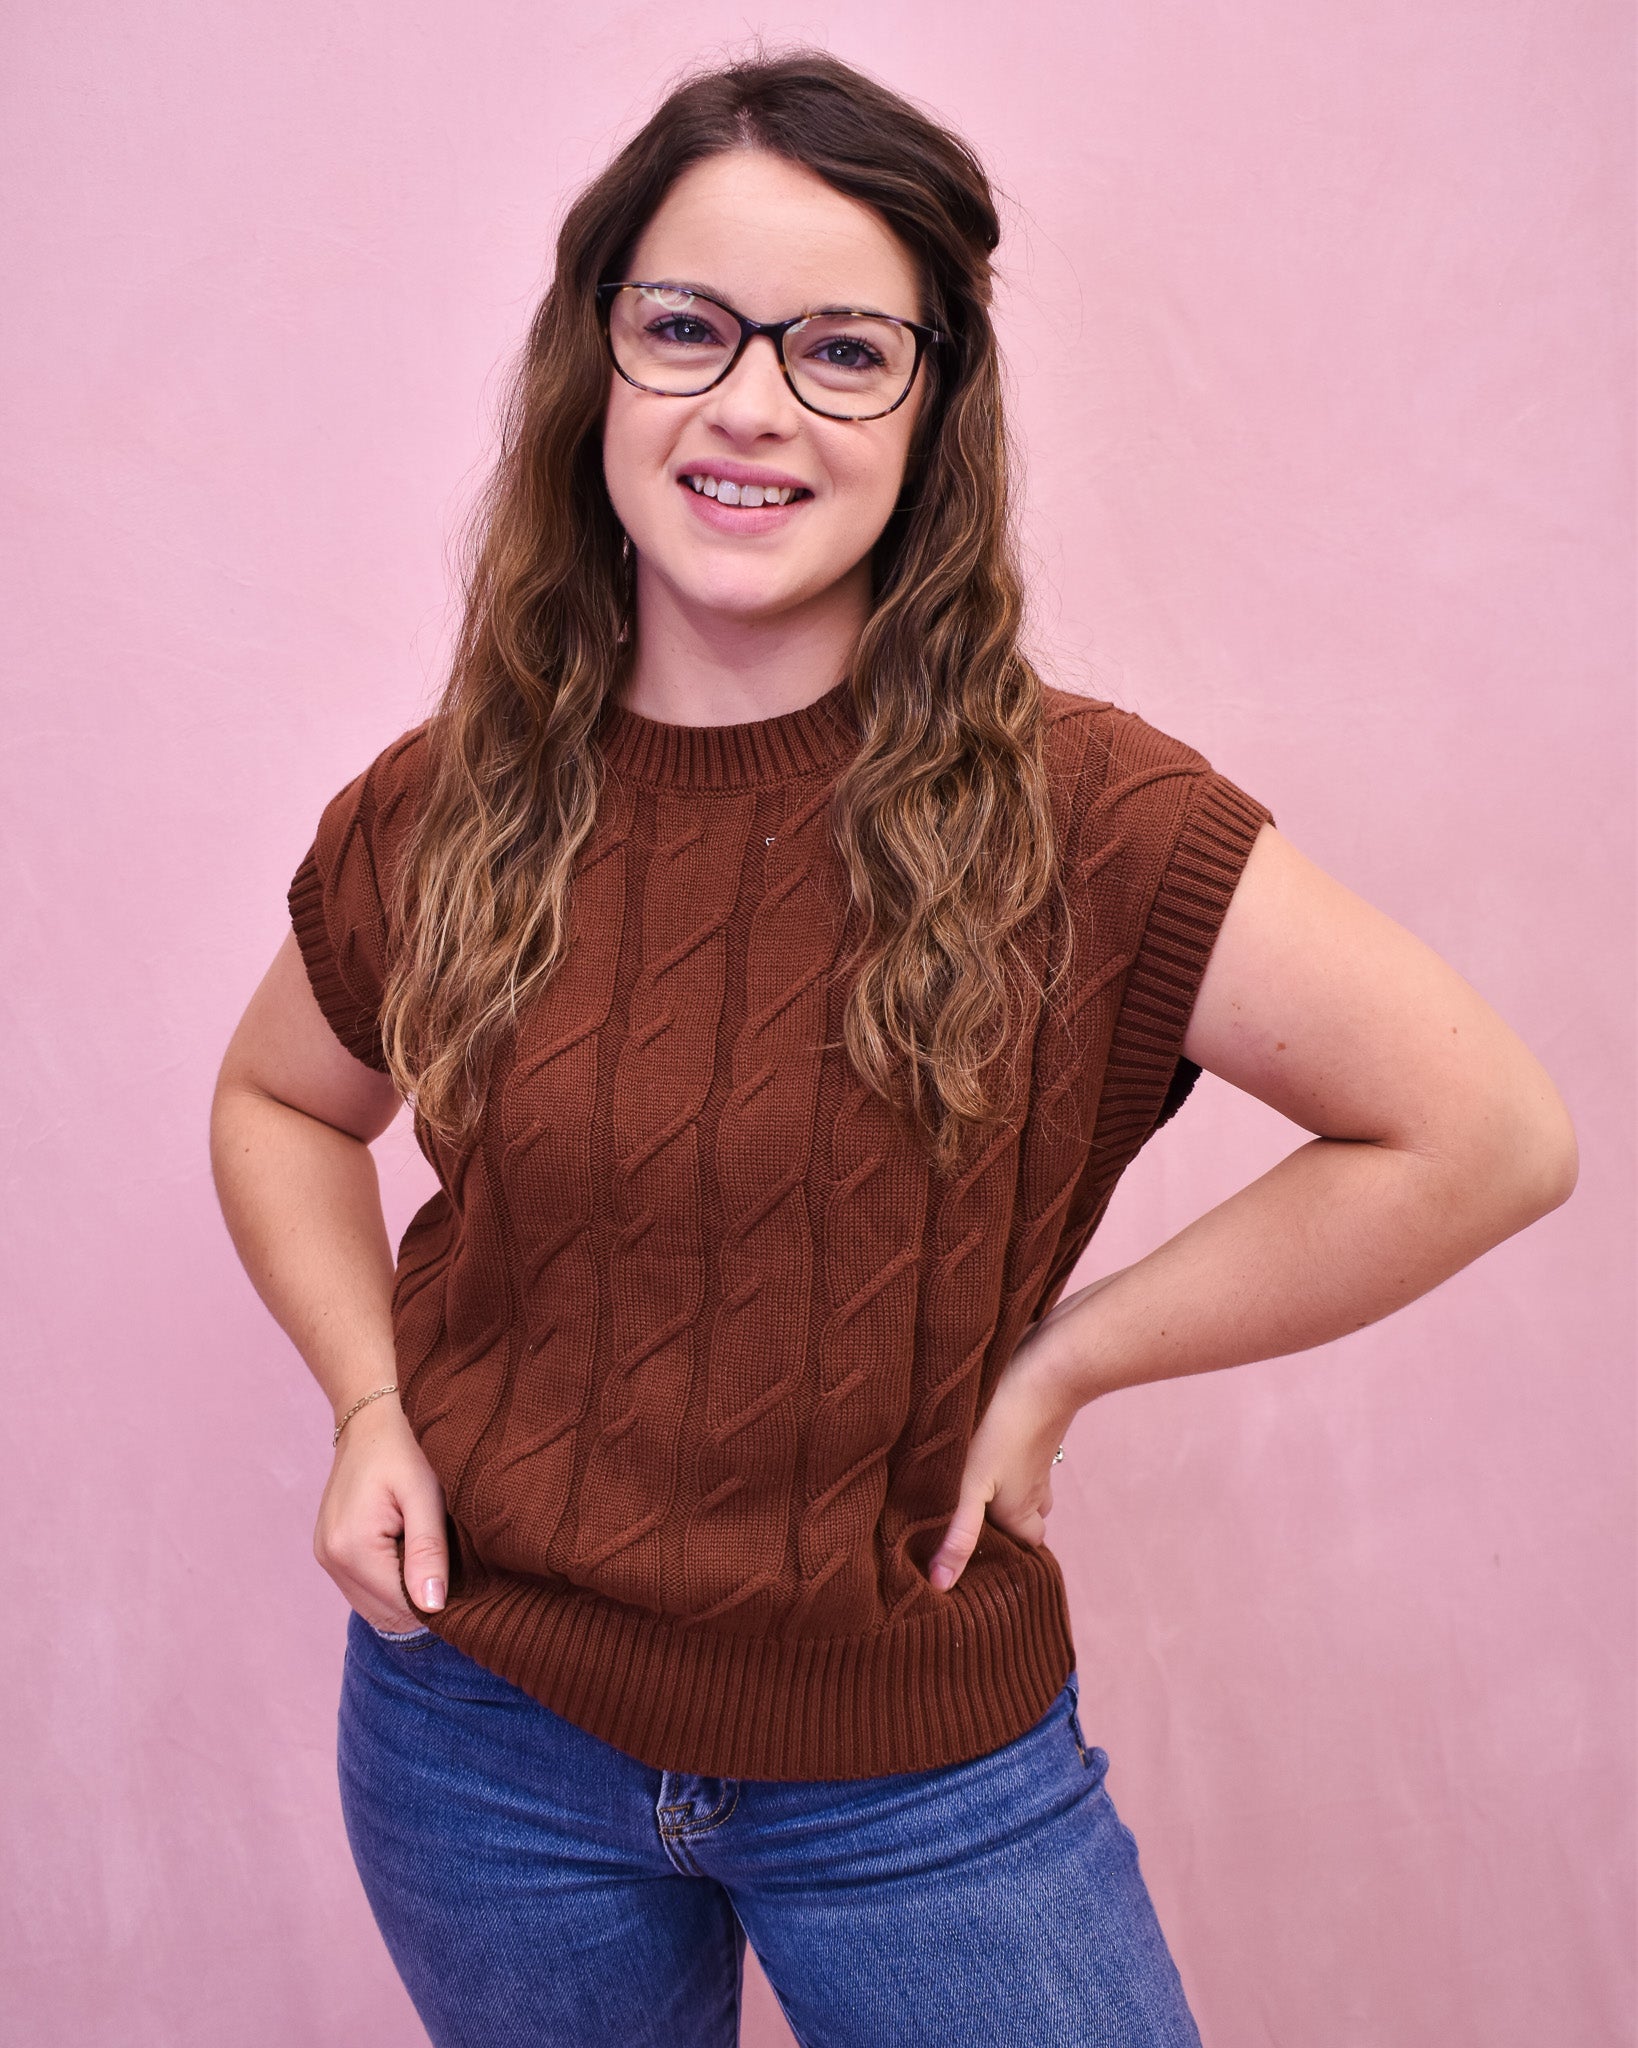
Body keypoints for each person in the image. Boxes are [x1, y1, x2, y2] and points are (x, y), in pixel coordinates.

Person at [208, 49, 1578, 2048]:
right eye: (687, 327)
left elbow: (1487, 1133)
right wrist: (363, 1402)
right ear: (598, 359)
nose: (749, 404)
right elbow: (276, 1099)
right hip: (474, 1740)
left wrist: (1069, 1357)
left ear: (933, 409)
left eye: (842, 350)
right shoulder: (448, 802)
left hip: (918, 1782)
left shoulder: (1091, 819)